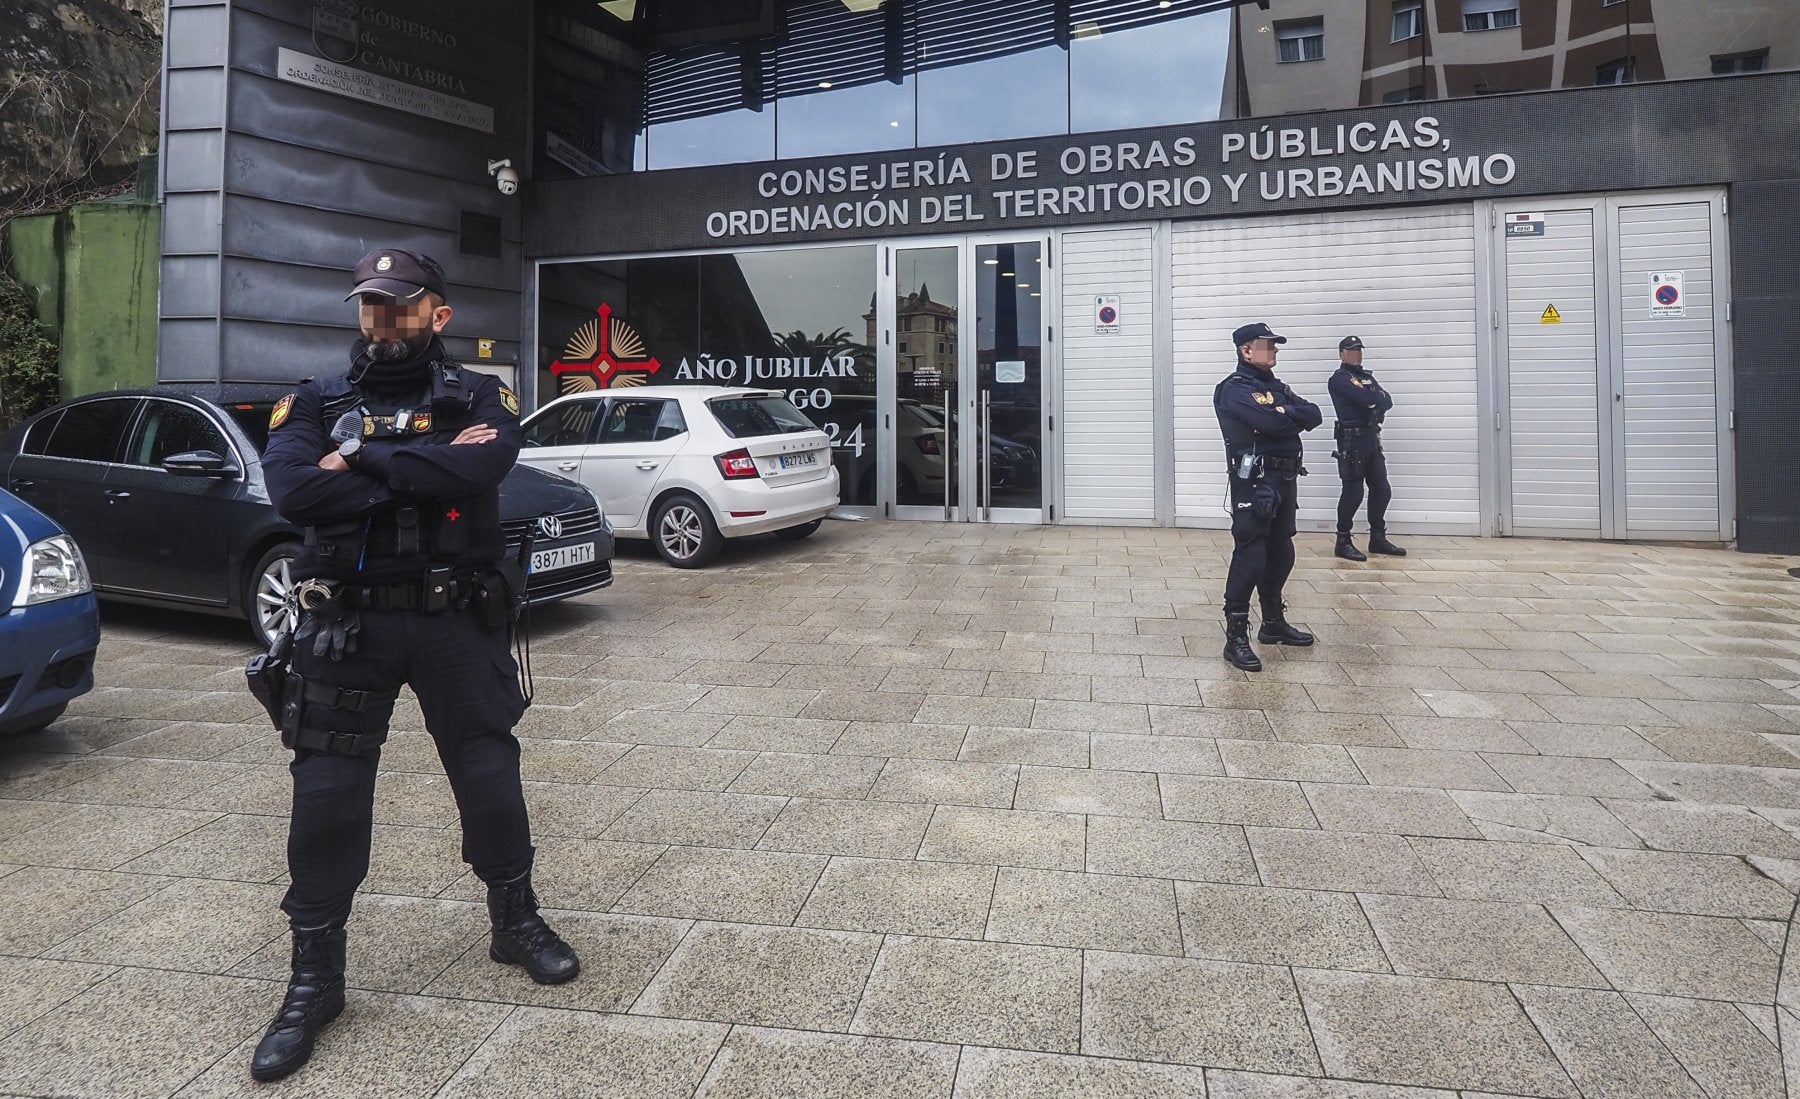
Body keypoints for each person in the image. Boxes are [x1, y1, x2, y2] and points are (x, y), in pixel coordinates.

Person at [248, 249, 578, 1082]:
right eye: (370, 304)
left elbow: (485, 465)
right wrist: (424, 477)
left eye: (399, 305)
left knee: (490, 776)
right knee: (325, 797)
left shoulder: (479, 395)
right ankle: (315, 979)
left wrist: (357, 460)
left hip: (454, 620)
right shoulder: (316, 399)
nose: (380, 319)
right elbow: (293, 492)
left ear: (439, 313)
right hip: (347, 624)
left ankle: (516, 921)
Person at [1214, 322, 1323, 672]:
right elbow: (1272, 425)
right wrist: (1285, 416)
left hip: (1285, 477)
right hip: (1255, 482)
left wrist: (1284, 412)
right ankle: (1235, 637)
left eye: (1276, 346)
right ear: (1247, 351)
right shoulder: (1235, 389)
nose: (1275, 350)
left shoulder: (1277, 388)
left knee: (1281, 548)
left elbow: (1315, 414)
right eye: (1269, 345)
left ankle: (1273, 622)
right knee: (1252, 552)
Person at [1328, 335, 1406, 561]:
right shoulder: (1340, 379)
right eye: (1351, 350)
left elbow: (1386, 400)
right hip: (1352, 440)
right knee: (1353, 491)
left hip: (1371, 437)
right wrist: (1373, 397)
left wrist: (1374, 397)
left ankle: (1378, 538)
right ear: (1342, 353)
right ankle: (1343, 540)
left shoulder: (1365, 377)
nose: (1356, 354)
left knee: (1382, 488)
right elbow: (1367, 398)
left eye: (1359, 351)